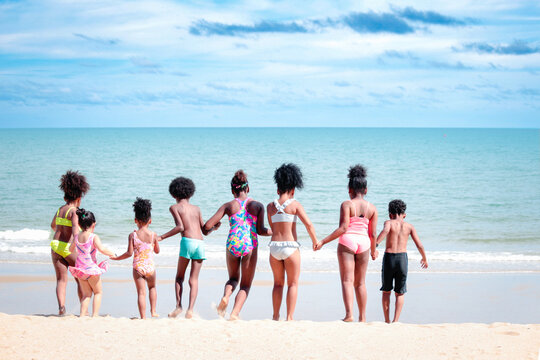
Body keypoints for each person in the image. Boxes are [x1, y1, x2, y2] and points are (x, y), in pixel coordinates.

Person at [203, 170, 271, 320]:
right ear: (248, 188)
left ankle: (226, 296)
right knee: (245, 285)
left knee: (233, 279)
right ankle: (234, 313)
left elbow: (207, 226)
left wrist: (214, 228)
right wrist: (275, 232)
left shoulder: (228, 206)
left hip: (232, 243)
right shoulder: (257, 206)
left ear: (233, 190)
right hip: (249, 244)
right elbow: (260, 231)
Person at [315, 165, 378, 322]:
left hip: (348, 241)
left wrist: (323, 241)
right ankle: (362, 318)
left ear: (349, 188)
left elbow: (343, 228)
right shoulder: (372, 208)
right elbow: (373, 233)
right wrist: (373, 250)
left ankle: (349, 315)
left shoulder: (347, 204)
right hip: (364, 242)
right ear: (366, 190)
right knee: (361, 283)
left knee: (347, 280)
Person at [158, 176, 220, 319]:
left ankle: (179, 306)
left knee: (179, 277)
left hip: (187, 241)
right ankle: (190, 310)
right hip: (200, 243)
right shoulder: (197, 209)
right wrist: (214, 229)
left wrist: (161, 237)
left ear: (173, 193)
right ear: (190, 193)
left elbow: (180, 227)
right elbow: (205, 230)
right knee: (194, 279)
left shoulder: (174, 207)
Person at [267, 163, 318, 321]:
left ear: (278, 189)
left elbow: (273, 227)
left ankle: (275, 316)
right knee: (293, 284)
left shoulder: (270, 207)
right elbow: (308, 224)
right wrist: (315, 241)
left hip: (274, 248)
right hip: (290, 247)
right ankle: (289, 317)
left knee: (277, 284)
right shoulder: (295, 205)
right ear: (293, 189)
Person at [376, 199, 428, 323]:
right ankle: (395, 321)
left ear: (390, 214)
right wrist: (424, 258)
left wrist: (375, 245)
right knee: (400, 293)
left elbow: (384, 232)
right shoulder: (409, 226)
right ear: (404, 214)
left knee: (386, 291)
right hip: (402, 260)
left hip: (389, 258)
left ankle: (387, 320)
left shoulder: (388, 222)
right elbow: (419, 245)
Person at [111, 198, 160, 319]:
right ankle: (153, 311)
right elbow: (157, 251)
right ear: (150, 221)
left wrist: (116, 258)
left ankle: (143, 317)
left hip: (138, 267)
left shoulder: (132, 235)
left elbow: (129, 253)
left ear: (135, 220)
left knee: (141, 293)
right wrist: (154, 243)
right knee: (152, 287)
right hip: (150, 267)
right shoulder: (153, 235)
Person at [49, 170, 89, 315]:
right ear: (79, 197)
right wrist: (74, 246)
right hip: (68, 248)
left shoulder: (60, 209)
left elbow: (53, 226)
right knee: (80, 279)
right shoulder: (74, 211)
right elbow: (75, 232)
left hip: (55, 247)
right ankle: (83, 310)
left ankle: (61, 308)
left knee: (61, 280)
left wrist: (61, 227)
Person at [68, 209, 115, 317]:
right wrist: (112, 254)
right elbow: (102, 249)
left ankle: (82, 315)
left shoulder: (76, 237)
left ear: (79, 224)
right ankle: (94, 315)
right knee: (98, 292)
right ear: (93, 224)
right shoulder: (93, 237)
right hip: (91, 270)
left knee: (86, 295)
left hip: (80, 270)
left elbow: (70, 250)